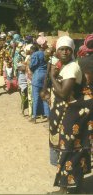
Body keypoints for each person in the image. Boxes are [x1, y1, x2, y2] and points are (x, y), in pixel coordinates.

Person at [47, 35, 93, 194]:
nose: (65, 51)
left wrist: (53, 76)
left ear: (72, 51)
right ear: (57, 52)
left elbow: (64, 93)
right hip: (68, 114)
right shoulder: (63, 66)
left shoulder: (72, 68)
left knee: (68, 151)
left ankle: (63, 189)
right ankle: (78, 186)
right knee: (75, 149)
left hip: (72, 115)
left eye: (68, 49)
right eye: (61, 49)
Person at [29, 37, 50, 123]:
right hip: (46, 76)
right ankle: (48, 116)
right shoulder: (47, 53)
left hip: (37, 76)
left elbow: (31, 66)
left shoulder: (35, 54)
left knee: (36, 97)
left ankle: (34, 117)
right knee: (44, 96)